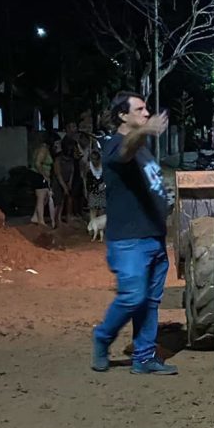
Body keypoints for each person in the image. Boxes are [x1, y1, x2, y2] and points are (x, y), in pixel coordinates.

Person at [91, 91, 175, 375]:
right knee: (133, 297)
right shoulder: (116, 145)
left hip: (153, 237)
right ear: (122, 116)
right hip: (129, 241)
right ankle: (102, 338)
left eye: (147, 108)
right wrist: (146, 131)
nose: (146, 113)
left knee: (150, 302)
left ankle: (144, 357)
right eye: (139, 109)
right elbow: (126, 150)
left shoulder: (144, 150)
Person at [29, 139, 55, 227]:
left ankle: (35, 217)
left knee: (44, 198)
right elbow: (37, 163)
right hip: (39, 175)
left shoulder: (43, 148)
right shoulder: (43, 149)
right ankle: (41, 220)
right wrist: (44, 175)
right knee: (41, 197)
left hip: (40, 175)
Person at [52, 137, 75, 227]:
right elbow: (58, 174)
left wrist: (69, 183)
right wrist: (64, 186)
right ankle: (56, 220)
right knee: (58, 202)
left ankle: (62, 218)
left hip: (67, 180)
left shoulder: (71, 158)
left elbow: (72, 171)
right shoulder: (58, 158)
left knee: (65, 200)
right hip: (58, 182)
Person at [84, 149, 106, 220]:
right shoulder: (88, 166)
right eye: (92, 159)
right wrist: (85, 189)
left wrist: (104, 184)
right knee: (93, 211)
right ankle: (92, 228)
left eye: (95, 159)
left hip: (102, 190)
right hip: (92, 190)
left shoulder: (103, 166)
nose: (93, 161)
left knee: (101, 211)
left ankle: (100, 229)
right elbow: (84, 178)